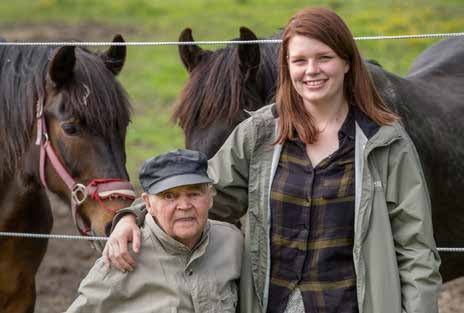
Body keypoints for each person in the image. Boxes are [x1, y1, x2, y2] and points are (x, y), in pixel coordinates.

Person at [104, 7, 442, 313]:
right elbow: (199, 197)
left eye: (324, 57)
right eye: (299, 61)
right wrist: (133, 215)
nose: (312, 71)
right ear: (287, 67)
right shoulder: (259, 133)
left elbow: (416, 251)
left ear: (347, 62)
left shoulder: (385, 143)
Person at [66, 149, 243, 313]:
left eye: (194, 193)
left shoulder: (233, 242)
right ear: (148, 203)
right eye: (169, 196)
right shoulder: (122, 255)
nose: (184, 206)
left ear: (210, 196)